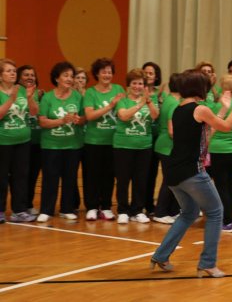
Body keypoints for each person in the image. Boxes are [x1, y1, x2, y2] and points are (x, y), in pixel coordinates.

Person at [150, 70, 232, 278]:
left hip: (173, 172)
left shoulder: (179, 109)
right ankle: (207, 263)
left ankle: (160, 255)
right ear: (200, 88)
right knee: (215, 212)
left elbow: (208, 133)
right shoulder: (200, 109)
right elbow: (227, 127)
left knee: (189, 213)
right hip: (191, 172)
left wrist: (223, 109)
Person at [37, 61, 85, 222]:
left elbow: (85, 118)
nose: (69, 79)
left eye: (71, 76)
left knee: (70, 178)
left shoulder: (78, 97)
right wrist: (62, 121)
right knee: (50, 177)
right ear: (56, 78)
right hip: (51, 145)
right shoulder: (48, 97)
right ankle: (46, 210)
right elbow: (42, 122)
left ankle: (67, 208)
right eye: (66, 75)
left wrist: (79, 120)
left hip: (73, 145)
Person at [113, 68, 159, 224]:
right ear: (128, 85)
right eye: (134, 83)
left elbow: (154, 116)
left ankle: (137, 210)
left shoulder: (148, 100)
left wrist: (149, 101)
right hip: (123, 145)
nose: (137, 86)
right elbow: (124, 116)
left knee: (141, 179)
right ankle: (122, 210)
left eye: (140, 83)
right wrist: (140, 103)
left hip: (144, 146)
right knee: (123, 179)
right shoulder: (122, 100)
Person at [82, 58, 125, 220]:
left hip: (114, 141)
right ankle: (92, 206)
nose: (107, 75)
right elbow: (90, 115)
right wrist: (110, 106)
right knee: (92, 175)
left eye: (109, 72)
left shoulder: (119, 89)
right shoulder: (91, 93)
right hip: (94, 141)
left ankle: (106, 206)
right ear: (97, 74)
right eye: (103, 72)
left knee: (109, 174)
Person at [208, 74, 232, 233]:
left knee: (221, 186)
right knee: (231, 185)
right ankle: (229, 217)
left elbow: (211, 125)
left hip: (220, 149)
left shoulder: (219, 107)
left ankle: (226, 220)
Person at [0, 59, 38, 223]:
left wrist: (29, 98)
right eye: (8, 71)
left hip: (23, 140)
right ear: (0, 75)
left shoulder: (23, 90)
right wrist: (11, 99)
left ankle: (19, 210)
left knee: (21, 176)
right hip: (3, 141)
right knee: (1, 177)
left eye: (14, 71)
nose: (13, 73)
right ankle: (0, 210)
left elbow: (34, 112)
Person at [152, 73, 182, 224]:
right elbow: (172, 130)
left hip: (165, 145)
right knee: (169, 180)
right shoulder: (174, 103)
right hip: (168, 146)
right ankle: (161, 212)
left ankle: (173, 210)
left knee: (174, 180)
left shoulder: (170, 100)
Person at [16, 64, 44, 215]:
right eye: (26, 74)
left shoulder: (39, 94)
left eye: (32, 75)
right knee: (20, 175)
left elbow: (37, 112)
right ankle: (18, 205)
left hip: (37, 141)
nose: (30, 77)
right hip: (21, 141)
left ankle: (28, 204)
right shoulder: (15, 92)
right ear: (19, 77)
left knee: (32, 175)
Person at [142, 61, 163, 217]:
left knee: (152, 173)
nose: (148, 75)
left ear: (156, 77)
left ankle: (149, 204)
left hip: (156, 137)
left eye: (151, 73)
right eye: (146, 72)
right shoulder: (136, 92)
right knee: (141, 173)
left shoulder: (160, 95)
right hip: (141, 136)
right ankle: (138, 203)